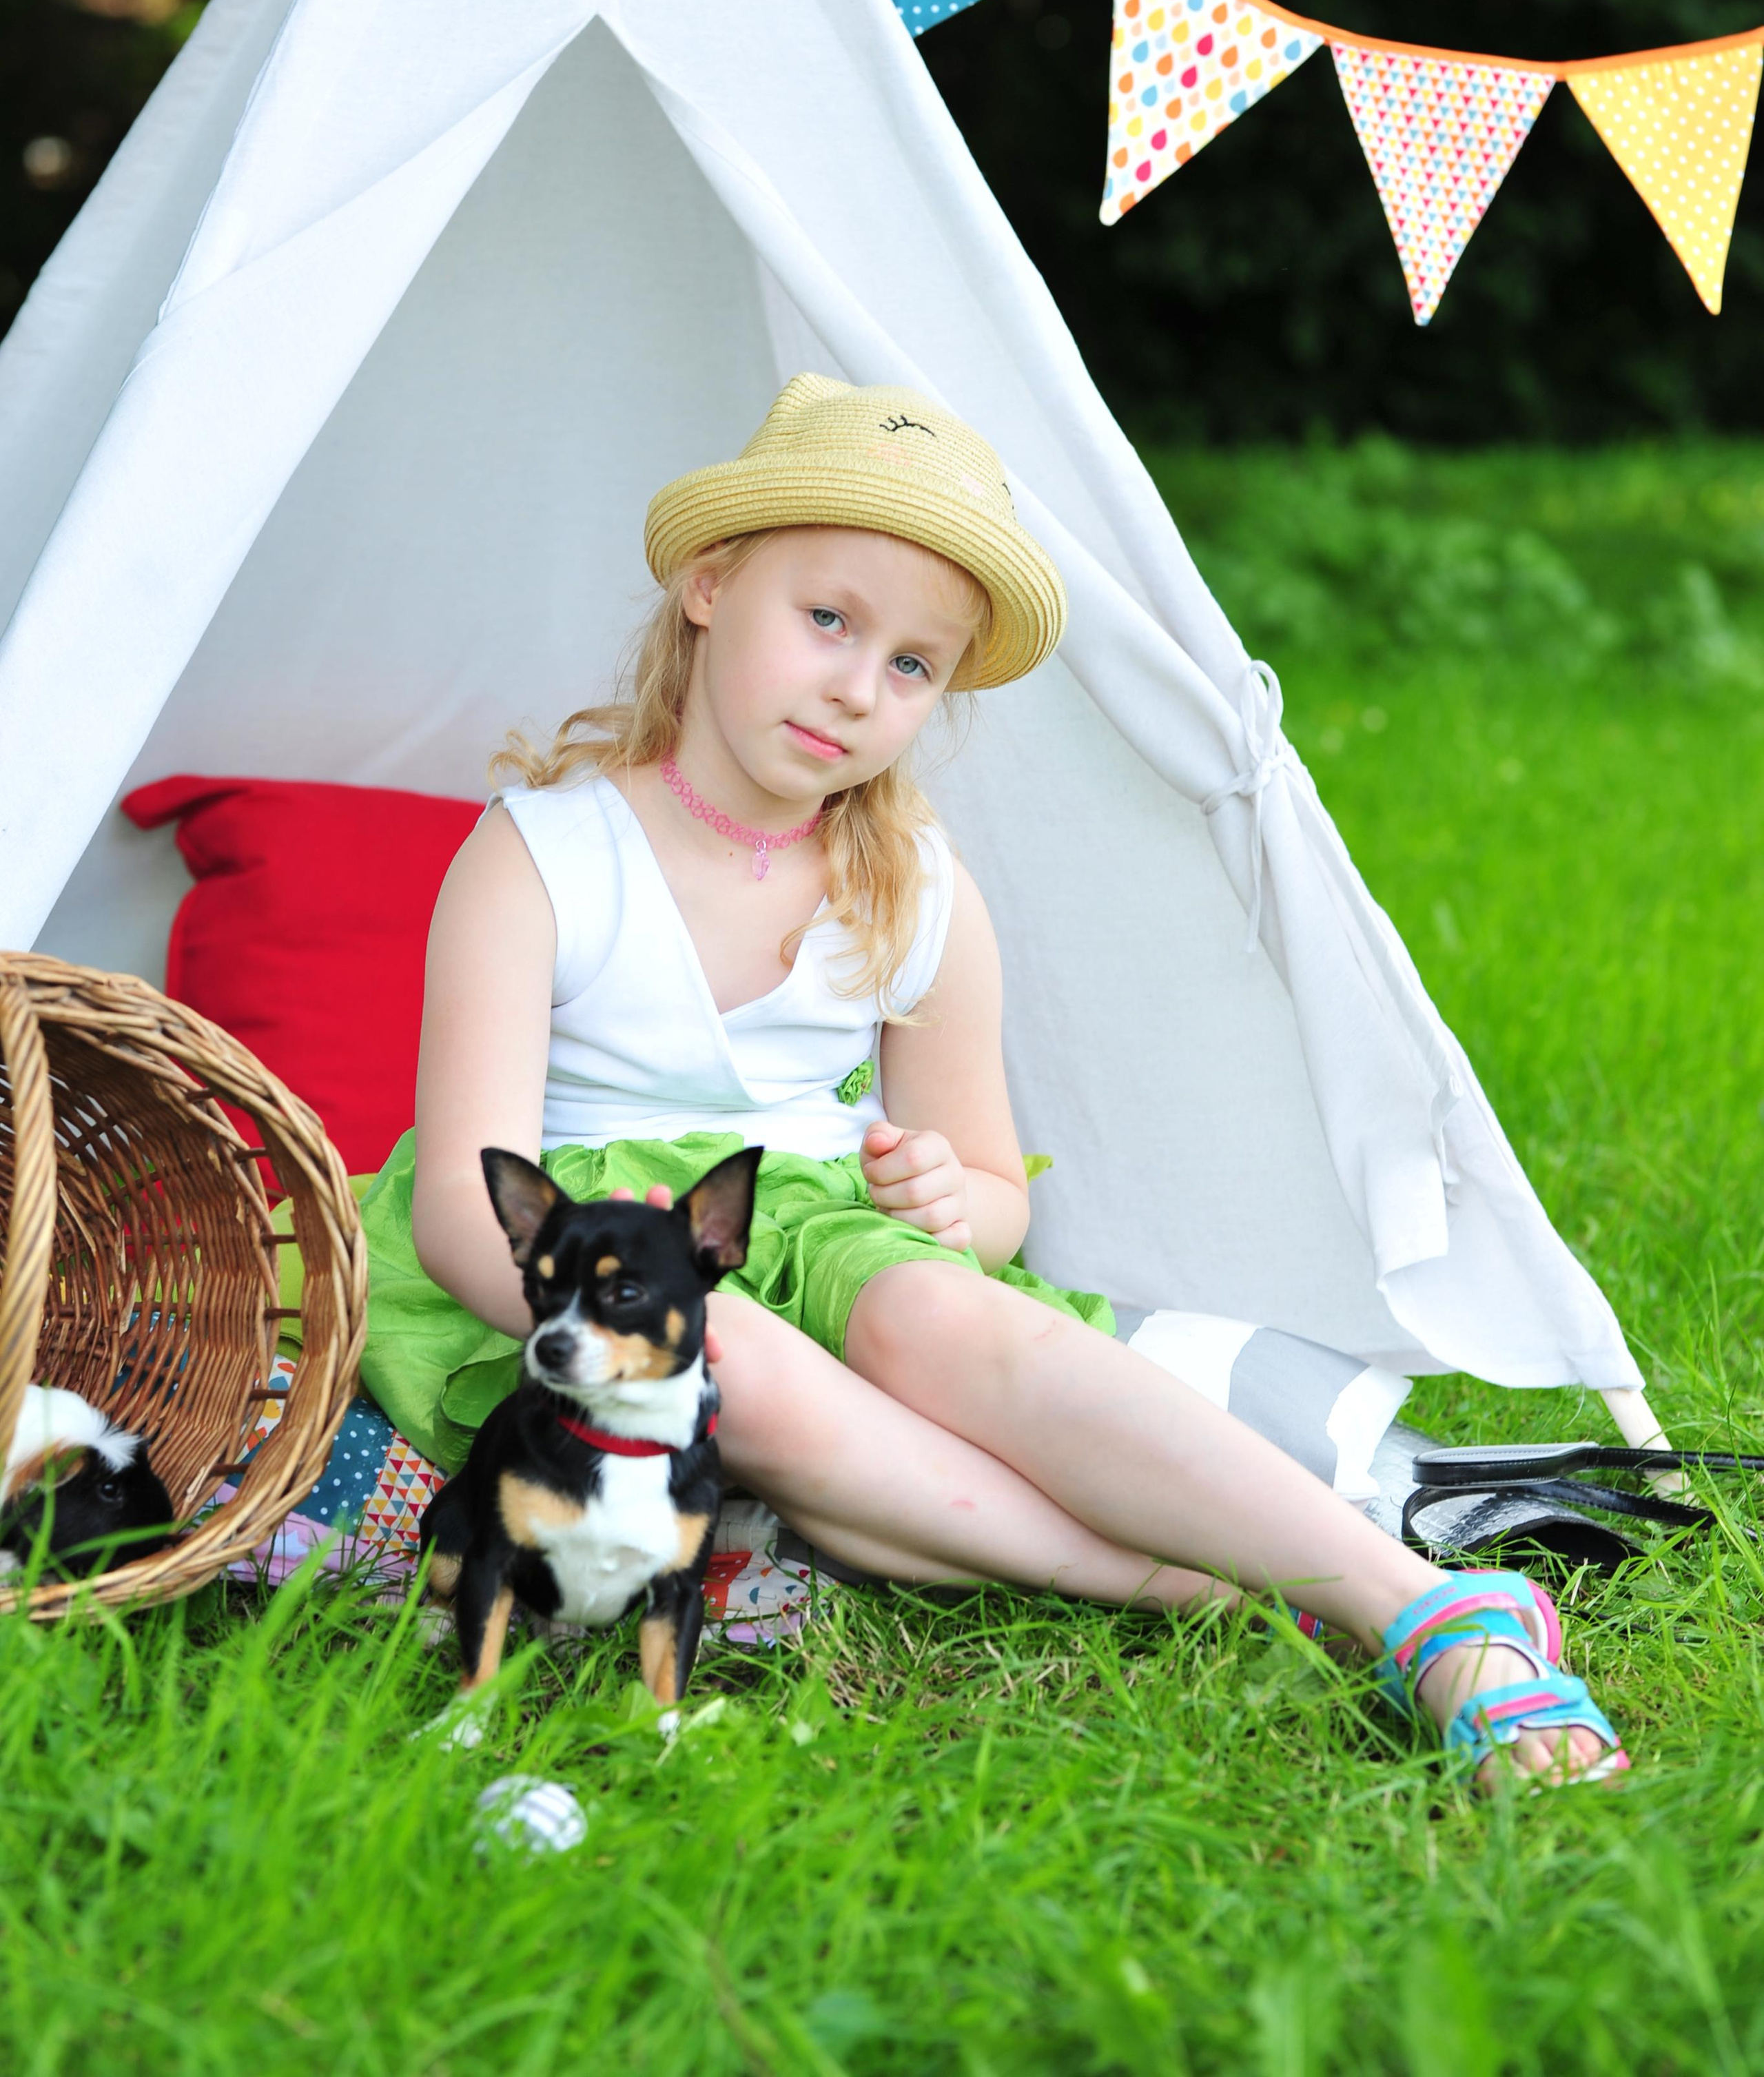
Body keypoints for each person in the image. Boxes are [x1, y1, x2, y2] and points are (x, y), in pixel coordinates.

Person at [358, 374, 1625, 1790]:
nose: (857, 685)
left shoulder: (912, 887)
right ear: (710, 585)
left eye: (911, 665)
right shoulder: (544, 854)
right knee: (729, 1370)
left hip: (814, 1219)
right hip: (586, 1251)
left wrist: (943, 1198)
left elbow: (993, 1192)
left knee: (957, 1326)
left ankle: (1399, 1595)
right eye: (827, 619)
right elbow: (463, 1206)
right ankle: (1309, 1596)